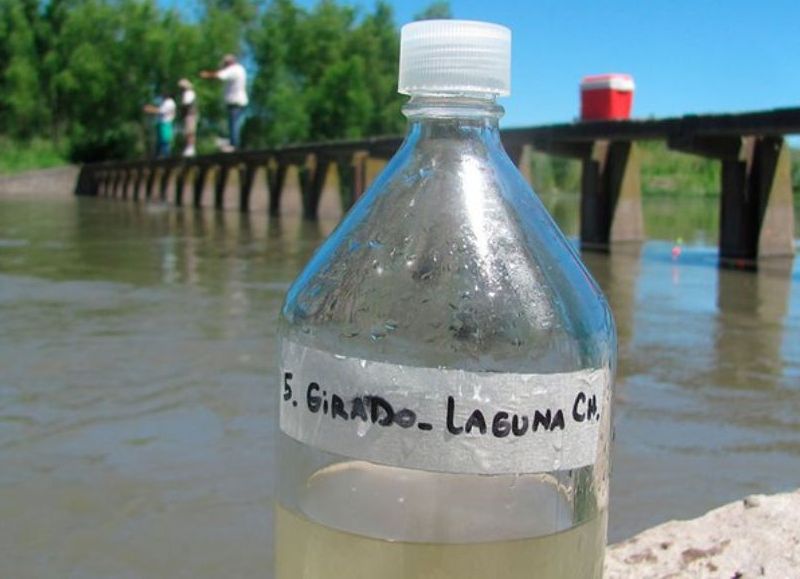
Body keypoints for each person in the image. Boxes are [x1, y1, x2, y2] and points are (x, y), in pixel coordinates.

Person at [200, 54, 248, 151]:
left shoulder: (233, 69)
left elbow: (220, 75)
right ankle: (234, 143)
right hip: (241, 101)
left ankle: (234, 145)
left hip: (235, 101)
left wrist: (206, 74)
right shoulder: (240, 69)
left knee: (233, 124)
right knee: (235, 123)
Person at [143, 91, 176, 158]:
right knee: (160, 141)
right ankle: (159, 156)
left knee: (165, 140)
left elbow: (161, 111)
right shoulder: (165, 102)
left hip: (166, 123)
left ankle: (166, 156)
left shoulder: (170, 102)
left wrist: (150, 109)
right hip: (161, 123)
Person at [178, 79, 198, 157]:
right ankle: (189, 148)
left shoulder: (189, 93)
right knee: (188, 131)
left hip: (190, 114)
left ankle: (190, 148)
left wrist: (182, 109)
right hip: (188, 114)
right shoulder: (186, 93)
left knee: (190, 131)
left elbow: (186, 104)